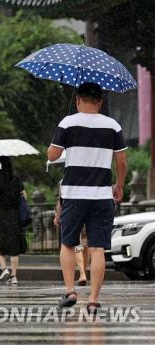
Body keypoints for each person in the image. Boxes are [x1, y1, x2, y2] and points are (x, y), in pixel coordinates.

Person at [47, 82, 127, 314]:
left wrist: (62, 136)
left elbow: (52, 155)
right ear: (100, 102)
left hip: (73, 194)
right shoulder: (113, 125)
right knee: (97, 248)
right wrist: (119, 185)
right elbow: (121, 161)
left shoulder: (67, 122)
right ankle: (93, 299)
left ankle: (71, 290)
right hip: (102, 195)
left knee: (68, 243)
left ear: (78, 100)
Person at [0, 156, 26, 285]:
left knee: (0, 244)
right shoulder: (16, 180)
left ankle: (4, 269)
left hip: (1, 215)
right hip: (14, 216)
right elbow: (24, 196)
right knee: (14, 247)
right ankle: (14, 276)